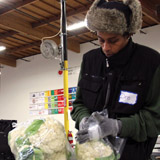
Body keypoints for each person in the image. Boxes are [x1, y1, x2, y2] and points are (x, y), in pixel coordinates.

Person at [71, 0, 160, 159]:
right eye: (100, 40)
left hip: (133, 154)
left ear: (129, 34)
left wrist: (118, 126)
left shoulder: (151, 63)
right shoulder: (89, 60)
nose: (105, 47)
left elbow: (155, 117)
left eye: (113, 41)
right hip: (91, 155)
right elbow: (79, 104)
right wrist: (83, 119)